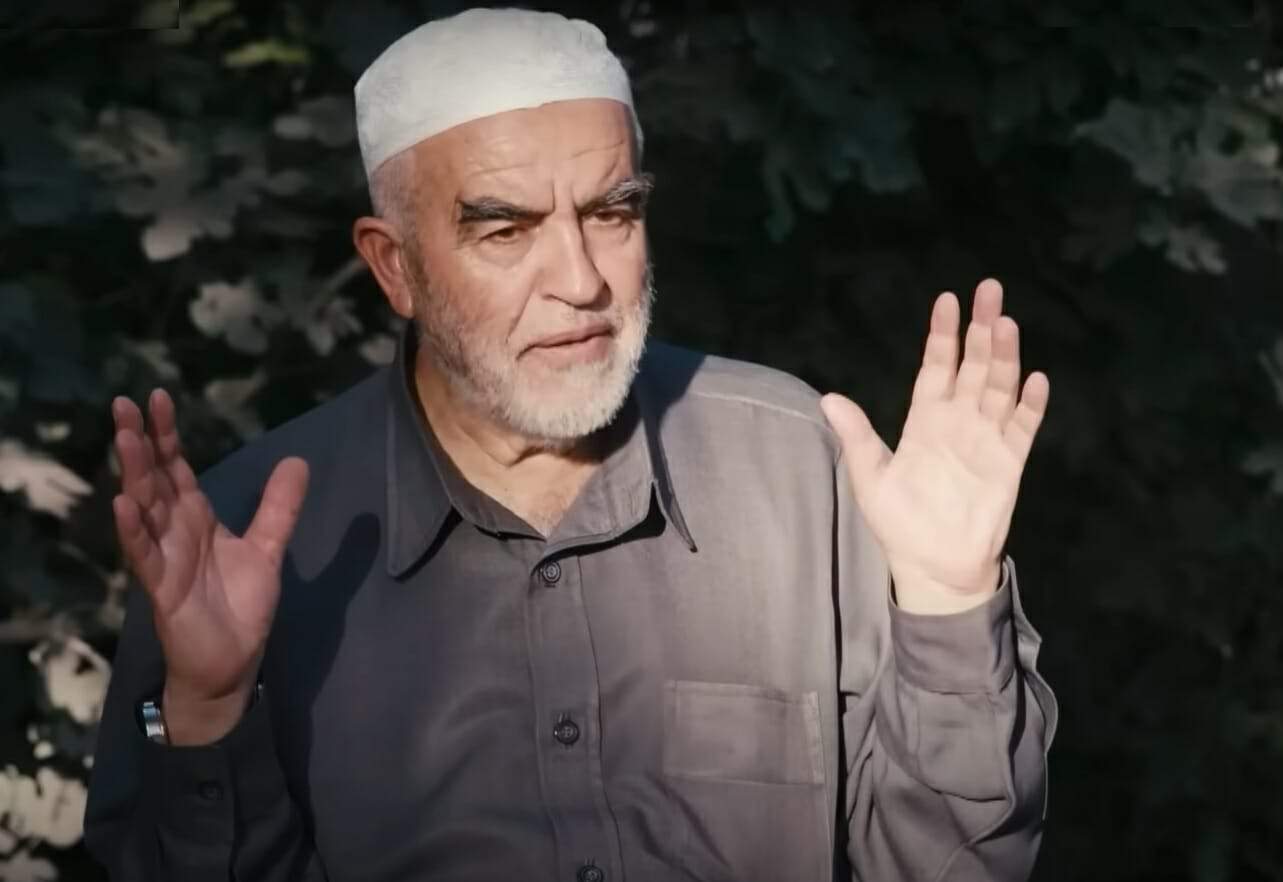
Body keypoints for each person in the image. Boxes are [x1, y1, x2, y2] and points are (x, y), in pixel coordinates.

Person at [83, 7, 1057, 881]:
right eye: (505, 232)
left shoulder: (798, 467)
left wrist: (945, 601)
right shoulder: (249, 540)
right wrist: (207, 710)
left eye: (611, 213)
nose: (581, 281)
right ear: (394, 266)